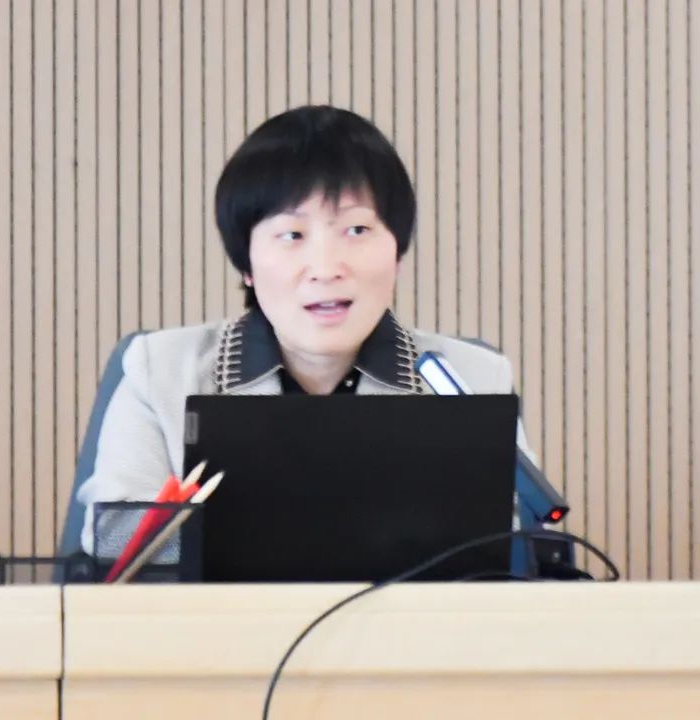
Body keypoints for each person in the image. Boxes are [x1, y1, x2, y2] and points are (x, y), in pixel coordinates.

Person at [76, 105, 534, 552]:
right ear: (247, 264)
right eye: (292, 235)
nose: (326, 268)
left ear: (397, 253)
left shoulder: (473, 378)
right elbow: (112, 535)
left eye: (356, 230)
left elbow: (518, 538)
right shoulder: (160, 370)